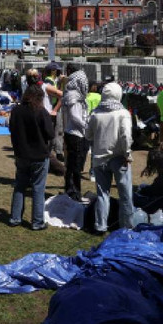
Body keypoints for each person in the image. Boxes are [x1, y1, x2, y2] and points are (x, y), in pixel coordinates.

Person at [85, 82, 134, 234]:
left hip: (100, 158)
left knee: (102, 194)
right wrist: (127, 153)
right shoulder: (123, 113)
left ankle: (100, 225)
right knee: (125, 194)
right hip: (119, 158)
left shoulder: (95, 113)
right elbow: (126, 135)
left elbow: (88, 135)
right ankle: (126, 226)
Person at [8, 84, 54, 230]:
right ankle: (37, 221)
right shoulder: (41, 112)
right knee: (38, 188)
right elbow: (50, 134)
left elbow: (11, 128)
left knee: (20, 186)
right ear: (40, 97)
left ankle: (15, 218)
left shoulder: (16, 111)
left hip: (21, 154)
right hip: (39, 155)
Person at [62, 64, 89, 201]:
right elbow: (75, 116)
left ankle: (72, 191)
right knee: (74, 167)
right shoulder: (73, 94)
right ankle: (73, 193)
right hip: (75, 133)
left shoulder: (75, 93)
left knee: (74, 166)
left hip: (77, 132)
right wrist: (86, 127)